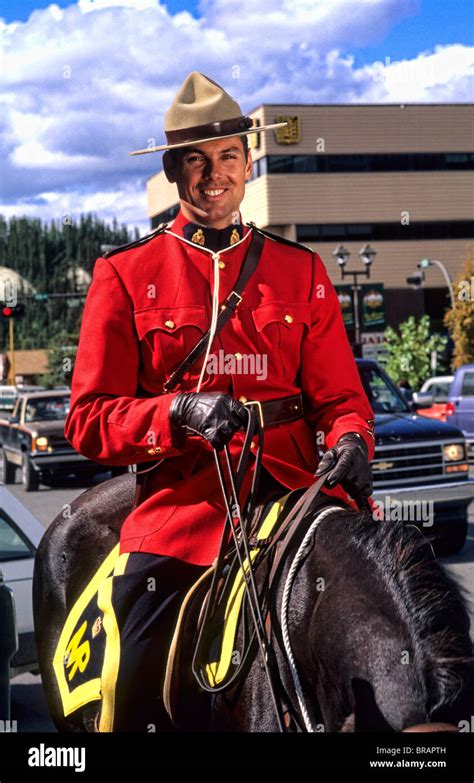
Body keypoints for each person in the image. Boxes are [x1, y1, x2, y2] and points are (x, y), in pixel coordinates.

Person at [64, 71, 375, 732]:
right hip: (184, 512)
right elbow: (88, 419)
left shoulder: (302, 271)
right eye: (197, 161)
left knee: (402, 621)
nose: (215, 174)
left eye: (229, 156)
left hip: (297, 494)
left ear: (248, 162)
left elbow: (341, 399)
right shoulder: (124, 275)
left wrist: (351, 438)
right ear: (176, 171)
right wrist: (174, 415)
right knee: (128, 664)